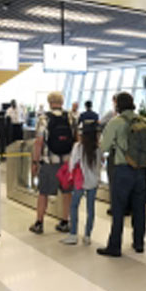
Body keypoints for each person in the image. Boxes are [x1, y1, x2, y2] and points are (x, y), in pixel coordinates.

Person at [97, 92, 146, 257]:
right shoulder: (144, 121)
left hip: (122, 170)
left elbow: (103, 147)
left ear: (118, 105)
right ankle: (139, 243)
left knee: (118, 208)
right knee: (140, 208)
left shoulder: (116, 122)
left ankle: (115, 246)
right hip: (141, 170)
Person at [29, 92, 75, 234]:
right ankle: (65, 221)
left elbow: (39, 142)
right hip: (67, 162)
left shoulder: (44, 119)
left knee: (44, 193)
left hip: (49, 162)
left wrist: (35, 162)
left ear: (49, 102)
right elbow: (77, 140)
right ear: (62, 101)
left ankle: (39, 223)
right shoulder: (71, 117)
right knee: (67, 192)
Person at [61, 124, 102, 246]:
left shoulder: (78, 147)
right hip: (93, 182)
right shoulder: (98, 149)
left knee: (74, 206)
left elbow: (72, 164)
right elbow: (99, 165)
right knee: (91, 209)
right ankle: (87, 236)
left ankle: (73, 234)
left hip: (80, 182)